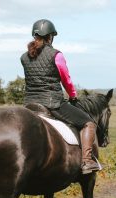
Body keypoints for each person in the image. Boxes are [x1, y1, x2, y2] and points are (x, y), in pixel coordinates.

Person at [20, 19, 100, 174]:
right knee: (89, 123)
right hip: (52, 102)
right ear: (51, 37)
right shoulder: (56, 55)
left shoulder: (24, 57)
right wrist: (73, 95)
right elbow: (66, 79)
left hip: (29, 103)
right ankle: (87, 161)